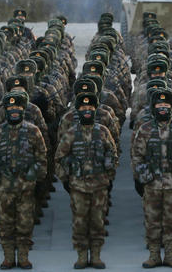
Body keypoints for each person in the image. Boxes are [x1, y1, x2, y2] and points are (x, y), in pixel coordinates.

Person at [131, 88, 172, 268]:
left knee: (171, 220)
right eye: (159, 104)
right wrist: (139, 178)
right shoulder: (145, 130)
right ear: (153, 107)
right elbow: (137, 156)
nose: (163, 108)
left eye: (166, 104)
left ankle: (170, 254)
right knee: (152, 221)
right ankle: (153, 255)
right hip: (151, 184)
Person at [55, 93, 117, 270]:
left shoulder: (103, 131)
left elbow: (112, 154)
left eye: (90, 108)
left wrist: (109, 176)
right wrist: (66, 179)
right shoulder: (71, 133)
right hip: (78, 186)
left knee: (98, 221)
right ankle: (82, 255)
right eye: (83, 108)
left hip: (99, 185)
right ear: (78, 110)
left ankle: (96, 255)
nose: (87, 111)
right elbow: (59, 158)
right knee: (80, 222)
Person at [0, 91, 47, 270]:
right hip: (4, 186)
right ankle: (8, 257)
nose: (14, 111)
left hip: (26, 186)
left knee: (25, 222)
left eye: (17, 107)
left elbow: (42, 157)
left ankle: (24, 256)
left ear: (23, 109)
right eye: (10, 107)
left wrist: (34, 175)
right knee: (5, 224)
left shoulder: (33, 131)